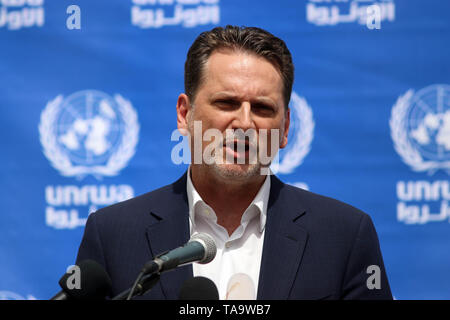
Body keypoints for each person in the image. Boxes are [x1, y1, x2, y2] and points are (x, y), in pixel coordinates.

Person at [76, 25, 393, 300]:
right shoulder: (113, 234)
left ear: (284, 128)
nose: (244, 122)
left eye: (262, 108)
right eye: (226, 103)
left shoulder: (344, 235)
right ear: (185, 114)